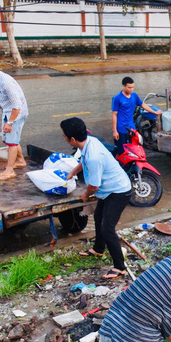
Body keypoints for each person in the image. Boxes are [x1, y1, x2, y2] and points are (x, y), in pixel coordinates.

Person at [63, 117, 132, 279]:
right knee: (98, 216)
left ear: (72, 139)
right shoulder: (89, 142)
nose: (64, 138)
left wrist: (85, 195)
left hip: (119, 191)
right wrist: (74, 171)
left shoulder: (93, 155)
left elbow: (93, 186)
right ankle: (98, 249)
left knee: (108, 229)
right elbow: (84, 161)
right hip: (110, 190)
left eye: (64, 136)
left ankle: (119, 267)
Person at [112, 77, 162, 155]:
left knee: (133, 149)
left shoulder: (134, 95)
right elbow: (114, 114)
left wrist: (155, 112)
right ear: (123, 86)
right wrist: (114, 131)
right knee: (121, 151)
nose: (131, 89)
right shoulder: (117, 98)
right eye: (129, 87)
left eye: (132, 87)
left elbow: (143, 105)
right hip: (121, 129)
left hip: (132, 128)